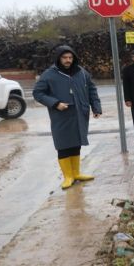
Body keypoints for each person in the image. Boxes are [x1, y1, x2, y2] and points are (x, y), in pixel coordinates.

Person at [33, 45, 102, 190]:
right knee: (63, 145)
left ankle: (76, 173)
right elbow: (38, 93)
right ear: (59, 58)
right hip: (61, 115)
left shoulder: (81, 72)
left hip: (80, 114)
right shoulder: (49, 74)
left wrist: (96, 107)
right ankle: (67, 176)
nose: (68, 60)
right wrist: (55, 103)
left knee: (76, 143)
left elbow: (91, 89)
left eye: (70, 58)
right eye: (64, 58)